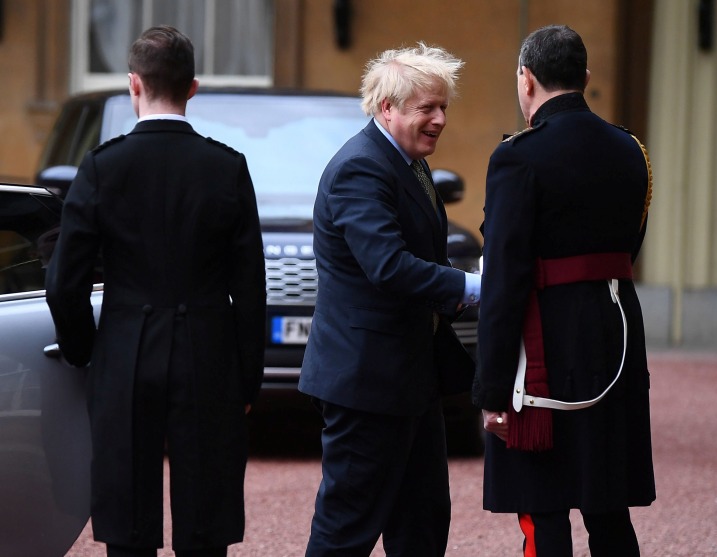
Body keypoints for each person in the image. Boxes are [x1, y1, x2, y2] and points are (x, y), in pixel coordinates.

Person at [45, 26, 266, 557]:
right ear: (193, 87)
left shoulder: (101, 166)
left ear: (133, 85)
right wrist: (246, 380)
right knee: (205, 525)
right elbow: (251, 288)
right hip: (209, 354)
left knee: (127, 525)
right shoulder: (227, 167)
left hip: (124, 351)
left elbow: (63, 283)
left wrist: (84, 352)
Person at [474, 25, 656, 556]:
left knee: (544, 503)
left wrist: (490, 392)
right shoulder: (631, 150)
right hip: (615, 333)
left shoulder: (517, 157)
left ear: (525, 80)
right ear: (586, 79)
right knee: (608, 504)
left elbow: (504, 281)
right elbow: (629, 249)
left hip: (545, 347)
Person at [298, 43, 480, 556]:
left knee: (422, 524)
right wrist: (474, 287)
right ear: (387, 108)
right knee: (347, 530)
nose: (440, 119)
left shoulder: (407, 161)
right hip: (366, 384)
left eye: (443, 107)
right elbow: (389, 267)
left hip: (408, 377)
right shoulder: (361, 167)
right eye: (427, 108)